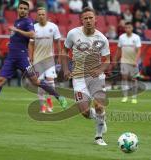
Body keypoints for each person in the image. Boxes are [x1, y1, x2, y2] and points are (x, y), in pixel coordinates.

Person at [0, 0, 67, 116]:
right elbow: (19, 38)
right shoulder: (17, 22)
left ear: (27, 11)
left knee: (36, 81)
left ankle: (59, 97)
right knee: (0, 81)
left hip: (22, 58)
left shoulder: (27, 22)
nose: (22, 10)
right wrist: (11, 43)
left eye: (24, 9)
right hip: (11, 58)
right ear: (17, 9)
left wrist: (16, 30)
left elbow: (32, 34)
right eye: (20, 8)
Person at [62, 7, 110, 146]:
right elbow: (64, 50)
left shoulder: (102, 38)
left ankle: (99, 137)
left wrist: (100, 69)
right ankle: (100, 118)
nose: (88, 20)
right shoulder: (73, 34)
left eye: (91, 18)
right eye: (85, 18)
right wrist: (65, 69)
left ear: (96, 20)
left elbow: (107, 59)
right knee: (84, 112)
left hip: (96, 77)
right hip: (78, 77)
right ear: (81, 20)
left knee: (99, 106)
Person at [29, 7, 65, 113]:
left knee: (51, 82)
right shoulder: (33, 28)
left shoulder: (53, 27)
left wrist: (59, 55)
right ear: (36, 16)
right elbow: (30, 44)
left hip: (49, 59)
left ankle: (49, 103)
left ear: (46, 16)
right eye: (39, 14)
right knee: (39, 83)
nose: (41, 16)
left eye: (42, 14)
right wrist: (30, 57)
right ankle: (42, 106)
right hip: (37, 60)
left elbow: (57, 41)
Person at [114, 22, 141, 103]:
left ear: (132, 28)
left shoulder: (136, 37)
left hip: (133, 61)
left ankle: (134, 97)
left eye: (129, 27)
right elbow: (119, 49)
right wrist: (115, 59)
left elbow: (139, 50)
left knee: (133, 78)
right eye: (126, 28)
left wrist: (136, 61)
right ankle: (125, 96)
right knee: (124, 77)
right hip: (124, 60)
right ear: (124, 28)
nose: (127, 29)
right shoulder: (121, 37)